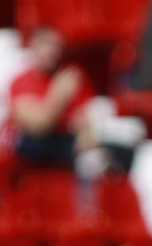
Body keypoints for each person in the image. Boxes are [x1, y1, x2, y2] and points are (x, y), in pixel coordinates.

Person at [7, 26, 96, 170]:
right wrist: (59, 95)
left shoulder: (71, 77)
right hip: (35, 152)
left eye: (57, 46)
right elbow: (38, 125)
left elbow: (86, 122)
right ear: (33, 46)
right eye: (47, 44)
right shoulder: (21, 82)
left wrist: (86, 137)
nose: (52, 51)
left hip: (68, 147)